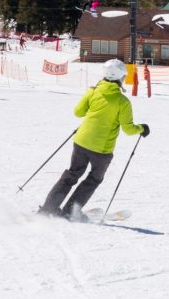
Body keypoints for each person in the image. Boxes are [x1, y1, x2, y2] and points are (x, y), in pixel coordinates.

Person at [40, 59, 148, 220]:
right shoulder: (122, 101)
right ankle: (70, 210)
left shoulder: (93, 91)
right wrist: (142, 128)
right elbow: (128, 129)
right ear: (121, 77)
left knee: (72, 174)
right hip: (101, 149)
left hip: (81, 141)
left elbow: (78, 112)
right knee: (94, 179)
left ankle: (48, 209)